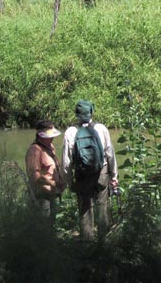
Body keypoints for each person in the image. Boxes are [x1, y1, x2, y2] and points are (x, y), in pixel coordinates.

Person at [62, 100, 118, 242]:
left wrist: (69, 182)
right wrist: (114, 176)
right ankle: (103, 240)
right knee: (102, 205)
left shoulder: (70, 132)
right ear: (91, 112)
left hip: (81, 175)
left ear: (77, 115)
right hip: (101, 172)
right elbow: (110, 154)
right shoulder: (101, 128)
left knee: (85, 209)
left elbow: (66, 162)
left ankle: (87, 242)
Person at [25, 119, 65, 223]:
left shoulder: (50, 147)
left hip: (53, 192)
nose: (52, 138)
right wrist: (52, 183)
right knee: (44, 223)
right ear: (41, 136)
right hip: (42, 195)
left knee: (53, 222)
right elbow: (34, 176)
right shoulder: (34, 151)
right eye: (49, 136)